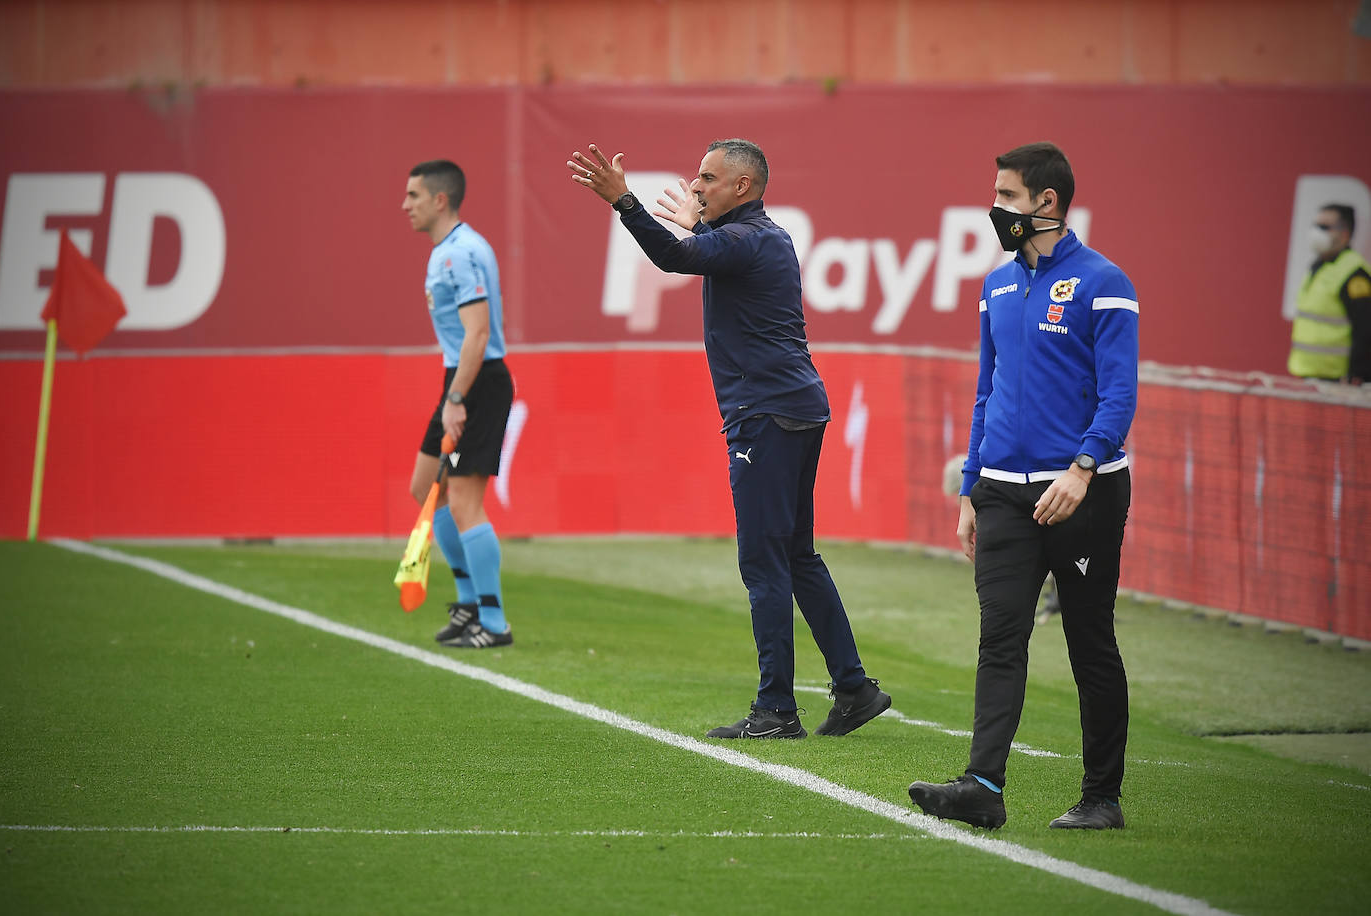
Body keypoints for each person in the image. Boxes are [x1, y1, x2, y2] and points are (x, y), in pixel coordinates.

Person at [566, 139, 890, 739]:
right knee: (796, 556)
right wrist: (697, 227)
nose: (696, 185)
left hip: (765, 414)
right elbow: (698, 250)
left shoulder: (745, 241)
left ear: (743, 186)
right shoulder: (764, 237)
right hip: (793, 407)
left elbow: (671, 258)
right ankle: (852, 687)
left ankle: (776, 710)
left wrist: (623, 202)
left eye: (709, 179)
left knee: (764, 561)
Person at [908, 142, 1138, 829]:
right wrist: (971, 490)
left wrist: (1082, 467)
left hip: (1084, 497)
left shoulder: (1106, 281)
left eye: (1007, 196)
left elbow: (1120, 394)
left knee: (1089, 641)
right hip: (1003, 495)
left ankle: (1102, 798)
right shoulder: (997, 284)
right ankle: (982, 787)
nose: (996, 207)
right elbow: (988, 390)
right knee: (999, 639)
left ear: (1047, 202)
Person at [402, 159, 516, 649]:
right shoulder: (449, 250)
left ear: (439, 199)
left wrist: (455, 398)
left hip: (478, 381)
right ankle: (470, 605)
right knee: (425, 487)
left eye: (413, 195)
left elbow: (479, 333)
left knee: (466, 501)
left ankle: (493, 623)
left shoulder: (459, 254)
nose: (405, 205)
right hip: (463, 376)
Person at [1288, 204, 1371, 385]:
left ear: (1345, 233)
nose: (1316, 232)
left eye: (1325, 227)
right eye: (1316, 225)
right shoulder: (1319, 266)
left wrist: (1357, 375)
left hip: (1339, 382)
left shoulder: (1354, 273)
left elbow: (1365, 329)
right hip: (1310, 375)